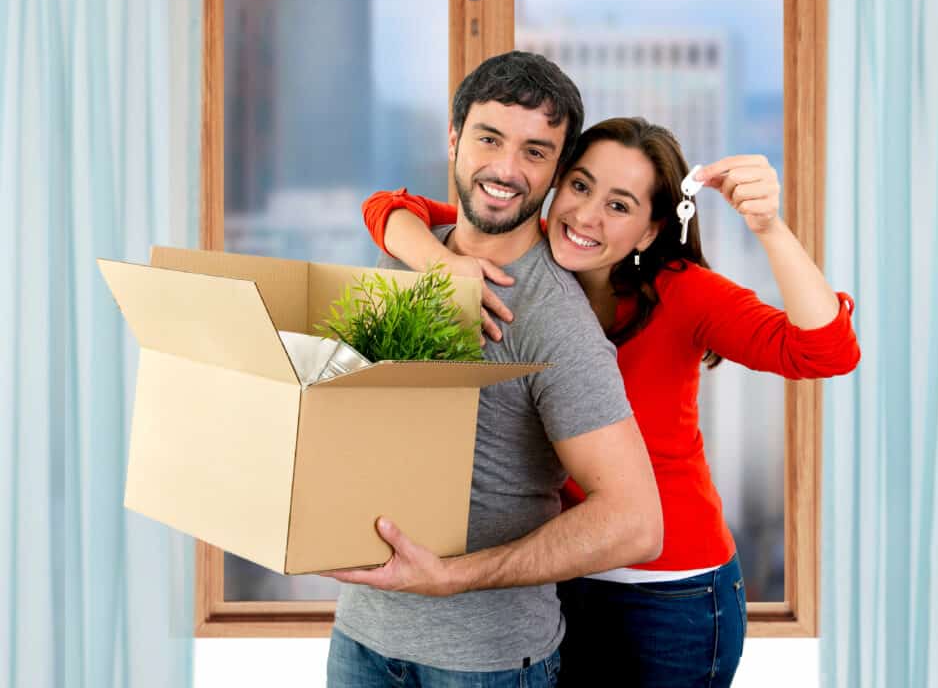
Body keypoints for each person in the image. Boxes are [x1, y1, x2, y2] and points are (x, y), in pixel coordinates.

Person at [362, 117, 861, 686]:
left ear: (650, 231)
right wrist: (444, 265)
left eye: (620, 206)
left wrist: (769, 227)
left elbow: (827, 352)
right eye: (579, 186)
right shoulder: (537, 251)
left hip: (670, 595)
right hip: (562, 574)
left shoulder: (682, 291)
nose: (586, 216)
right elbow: (389, 208)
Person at [321, 52, 664, 687]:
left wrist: (452, 576)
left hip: (486, 662)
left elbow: (636, 523)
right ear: (453, 139)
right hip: (361, 634)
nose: (506, 169)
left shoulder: (553, 319)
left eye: (536, 152)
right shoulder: (405, 264)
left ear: (557, 172)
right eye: (489, 138)